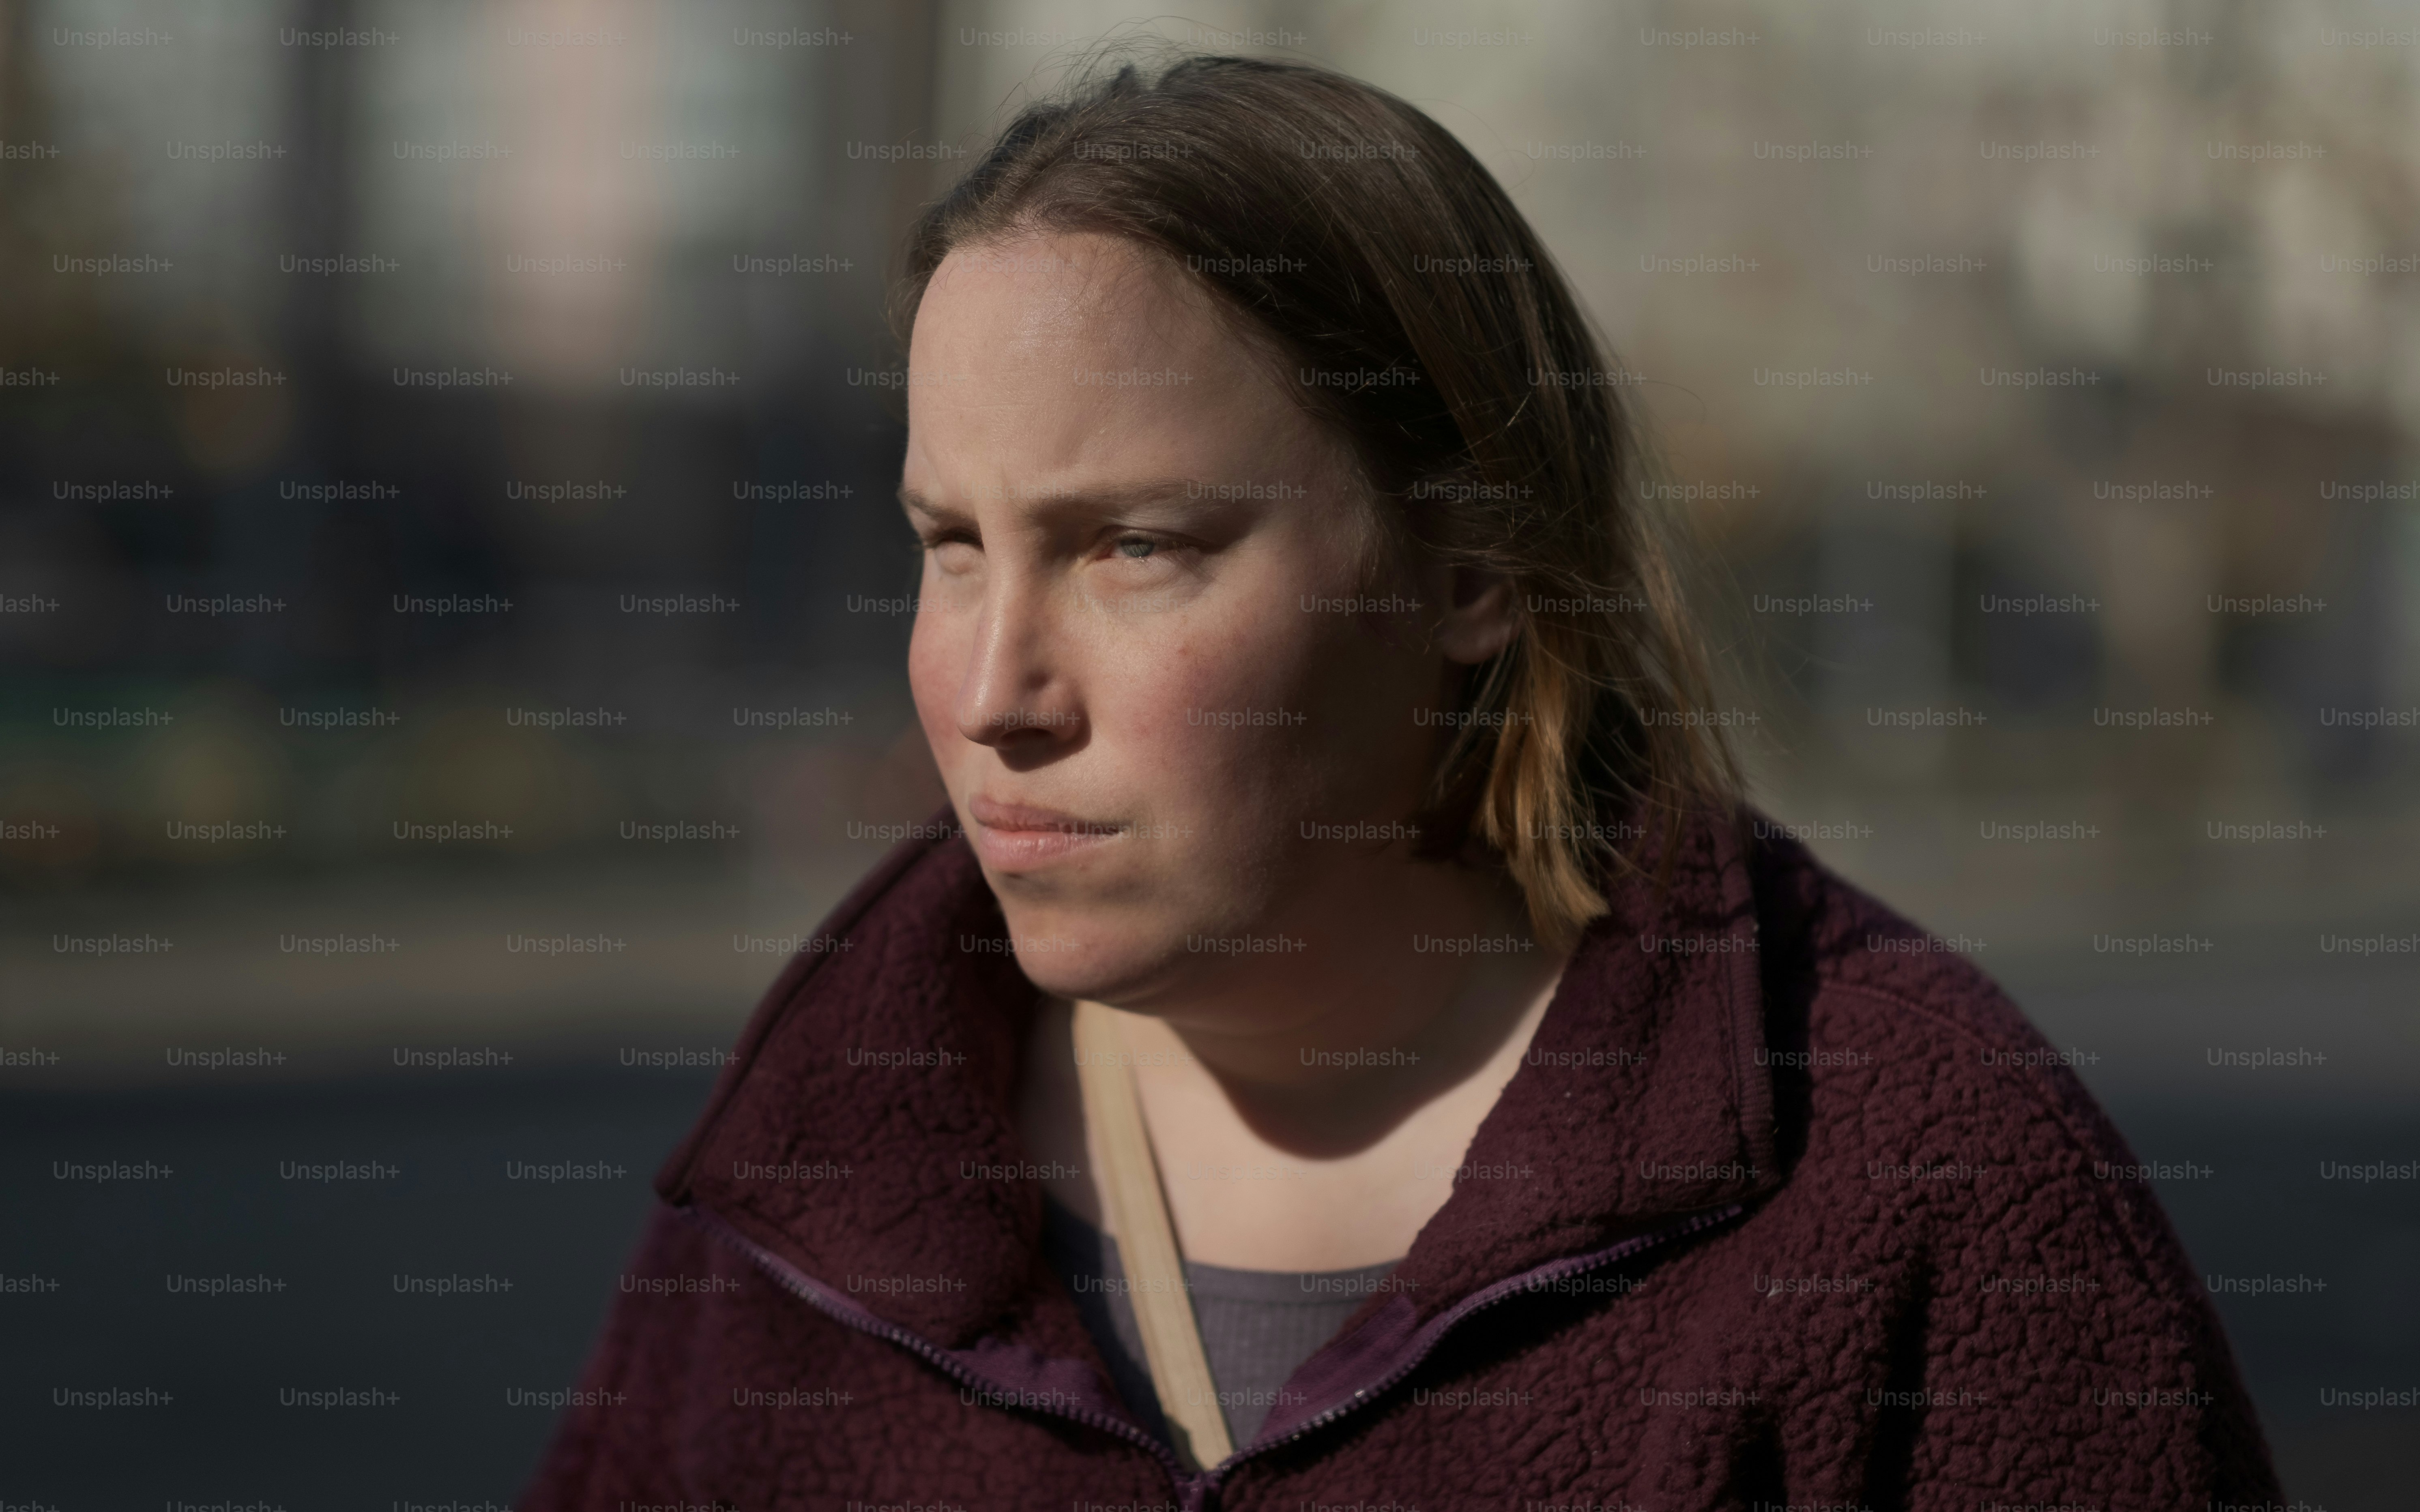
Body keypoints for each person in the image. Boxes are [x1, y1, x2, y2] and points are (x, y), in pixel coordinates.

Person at [523, 52, 2281, 1510]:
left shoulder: (1911, 1178)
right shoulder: (817, 1186)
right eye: (949, 543)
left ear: (1470, 569)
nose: (992, 693)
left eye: (1131, 547)